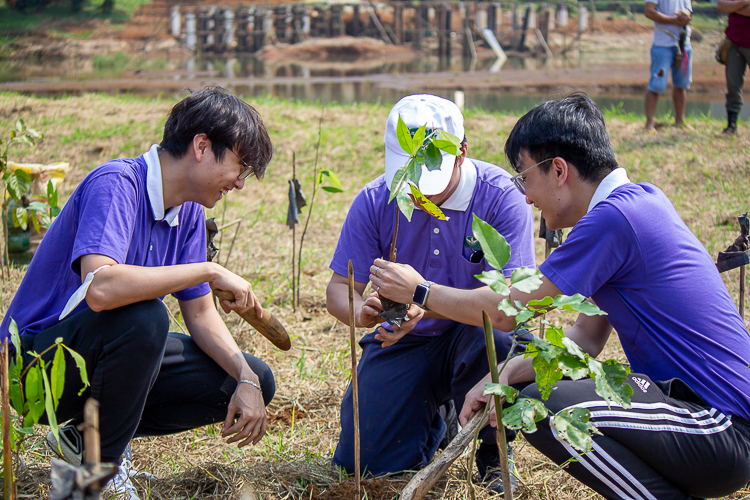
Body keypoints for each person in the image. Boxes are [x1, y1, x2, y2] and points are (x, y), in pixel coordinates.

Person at [371, 93, 750, 500]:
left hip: (719, 428)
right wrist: (505, 374)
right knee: (534, 395)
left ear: (558, 170)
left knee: (542, 407)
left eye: (524, 178)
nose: (526, 197)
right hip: (702, 428)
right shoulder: (636, 204)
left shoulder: (614, 221)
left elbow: (506, 311)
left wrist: (420, 291)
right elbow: (586, 337)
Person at [0, 87, 276, 499]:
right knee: (145, 319)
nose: (239, 182)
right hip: (32, 370)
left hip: (94, 362)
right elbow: (100, 288)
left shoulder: (189, 215)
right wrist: (208, 268)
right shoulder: (116, 184)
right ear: (202, 146)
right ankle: (96, 474)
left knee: (251, 378)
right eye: (239, 166)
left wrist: (247, 379)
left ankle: (81, 436)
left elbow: (200, 315)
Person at [325, 94, 535, 492]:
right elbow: (339, 288)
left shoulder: (501, 197)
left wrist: (421, 293)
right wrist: (362, 312)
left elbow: (511, 308)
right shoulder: (375, 199)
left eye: (431, 178)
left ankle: (492, 451)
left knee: (500, 339)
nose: (420, 194)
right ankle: (435, 419)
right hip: (407, 341)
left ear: (461, 153)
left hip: (477, 334)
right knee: (364, 464)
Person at [643, 0, 693, 131]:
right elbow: (649, 11)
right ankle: (649, 124)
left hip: (683, 42)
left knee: (681, 84)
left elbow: (688, 10)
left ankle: (680, 121)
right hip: (662, 43)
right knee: (656, 84)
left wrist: (685, 14)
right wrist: (674, 20)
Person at [717, 0, 750, 135]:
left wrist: (733, 7)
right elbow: (721, 6)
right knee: (732, 84)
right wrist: (744, 3)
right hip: (734, 43)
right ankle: (731, 125)